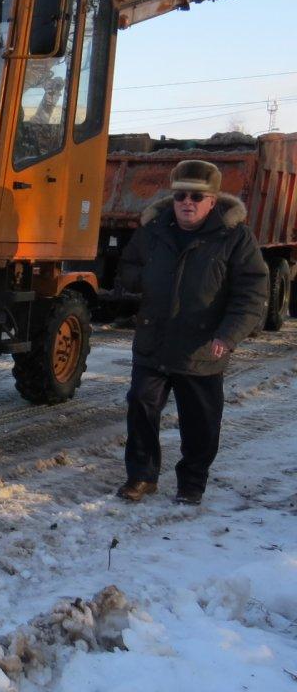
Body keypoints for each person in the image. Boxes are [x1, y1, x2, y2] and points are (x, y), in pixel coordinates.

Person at [115, 159, 267, 505]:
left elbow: (252, 292)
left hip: (202, 346)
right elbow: (129, 265)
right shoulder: (154, 230)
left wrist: (228, 335)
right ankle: (141, 476)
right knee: (141, 405)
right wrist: (140, 281)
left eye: (197, 197)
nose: (188, 203)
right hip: (155, 340)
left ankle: (192, 483)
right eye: (181, 195)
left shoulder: (234, 237)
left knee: (200, 421)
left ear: (213, 201)